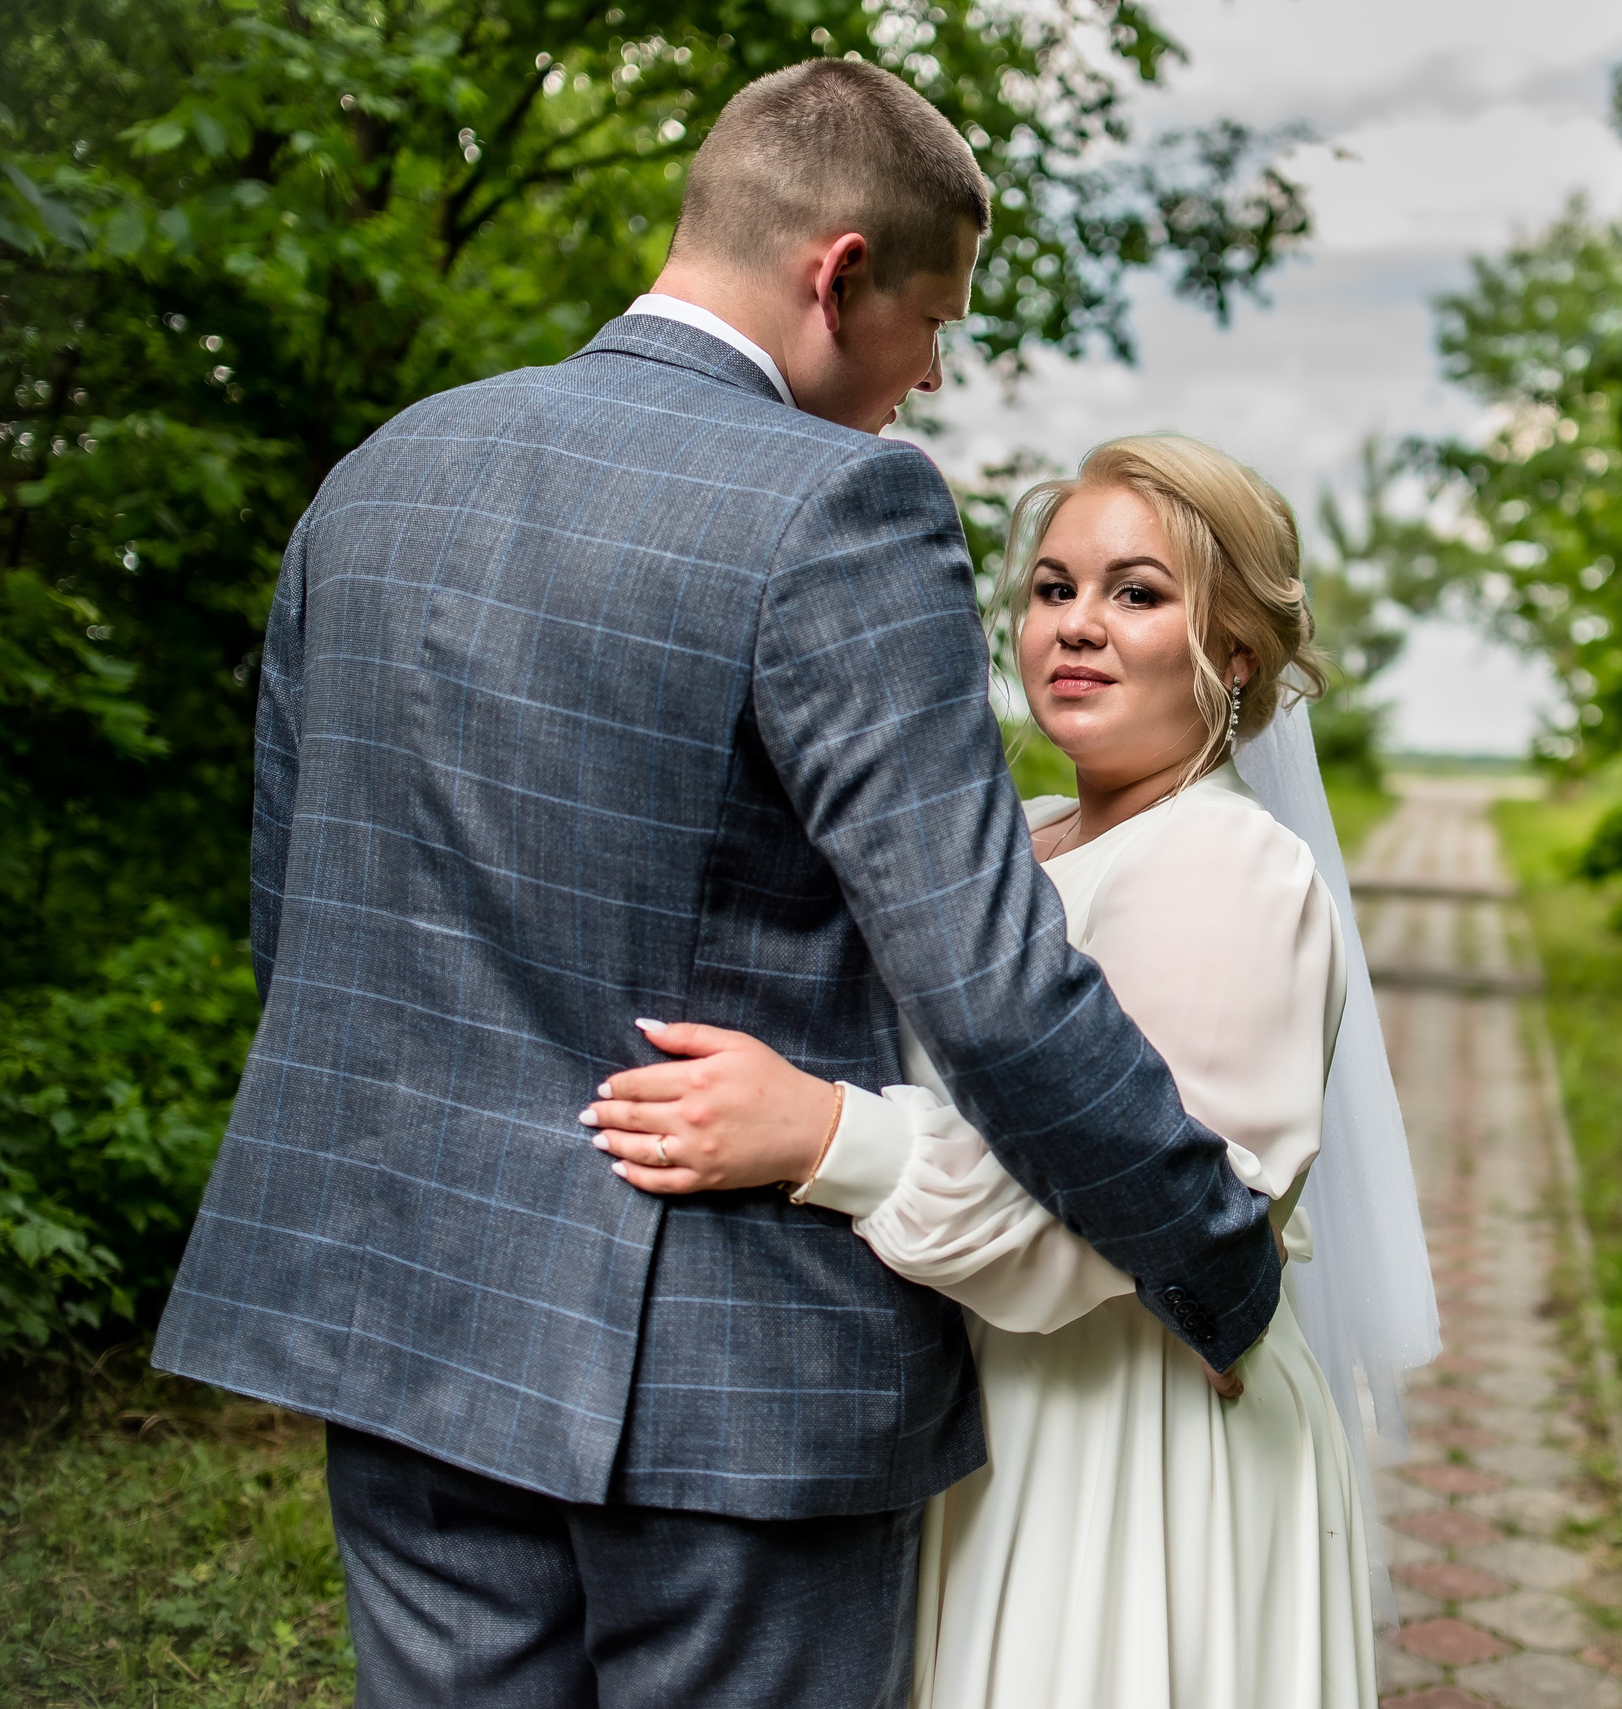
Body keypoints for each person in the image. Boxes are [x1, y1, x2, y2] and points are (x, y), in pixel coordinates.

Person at [151, 62, 1284, 1707]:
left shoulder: (386, 469)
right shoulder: (842, 504)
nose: (934, 370)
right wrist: (1214, 1250)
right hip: (729, 1389)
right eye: (936, 316)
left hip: (398, 1320)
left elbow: (301, 921)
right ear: (840, 275)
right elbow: (989, 982)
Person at [587, 436, 1437, 1708]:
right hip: (993, 1401)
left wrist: (824, 1137)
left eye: (1136, 594)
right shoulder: (1027, 841)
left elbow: (1118, 1209)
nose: (1077, 626)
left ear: (1238, 651)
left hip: (1124, 1427)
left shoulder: (1223, 867)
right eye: (1052, 588)